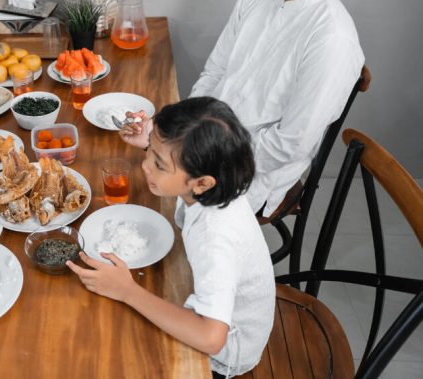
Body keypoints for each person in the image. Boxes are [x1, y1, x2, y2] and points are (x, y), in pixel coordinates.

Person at [123, 0, 366, 216]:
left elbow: (290, 145)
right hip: (204, 147)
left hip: (254, 171)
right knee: (122, 173)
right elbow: (214, 74)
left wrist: (194, 154)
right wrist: (177, 133)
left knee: (146, 203)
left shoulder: (332, 39)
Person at [69, 97, 275, 377]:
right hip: (200, 296)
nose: (145, 166)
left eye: (159, 164)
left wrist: (127, 290)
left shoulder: (216, 236)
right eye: (150, 151)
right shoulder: (214, 186)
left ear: (202, 182)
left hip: (224, 349)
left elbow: (212, 338)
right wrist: (152, 143)